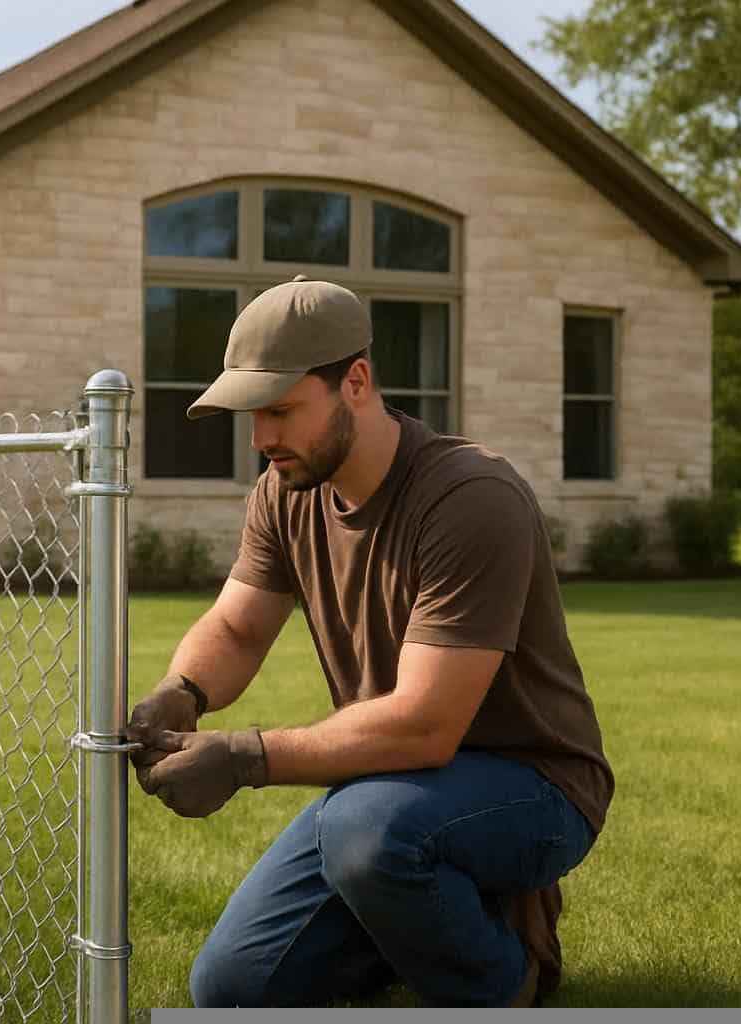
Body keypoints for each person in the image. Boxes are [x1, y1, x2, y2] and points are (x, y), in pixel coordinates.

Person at [124, 277, 614, 1008]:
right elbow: (235, 625)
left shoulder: (471, 496)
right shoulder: (283, 494)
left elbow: (426, 722)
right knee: (232, 991)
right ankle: (425, 922)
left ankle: (507, 981)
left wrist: (244, 757)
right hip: (391, 783)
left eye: (281, 411)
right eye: (252, 415)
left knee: (364, 831)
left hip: (532, 783)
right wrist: (183, 689)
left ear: (355, 381)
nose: (261, 440)